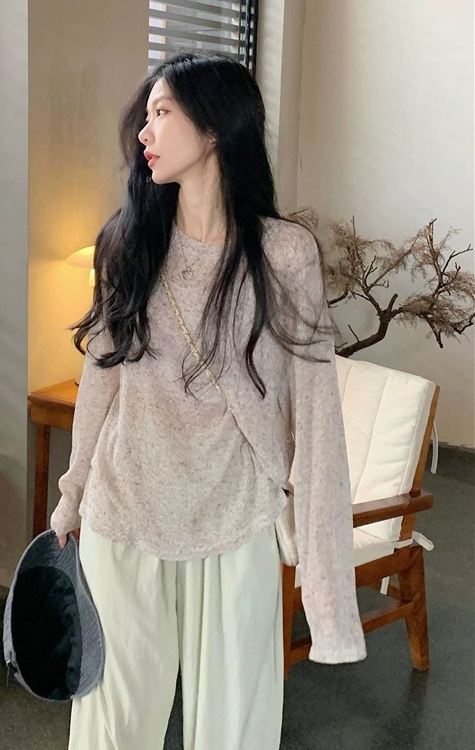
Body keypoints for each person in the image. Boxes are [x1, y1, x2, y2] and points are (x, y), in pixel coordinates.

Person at [50, 52, 366, 750]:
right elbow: (101, 377)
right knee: (112, 728)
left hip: (236, 518)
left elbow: (317, 420)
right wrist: (72, 493)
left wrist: (327, 597)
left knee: (235, 729)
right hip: (125, 512)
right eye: (146, 116)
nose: (145, 132)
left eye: (162, 112)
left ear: (216, 128)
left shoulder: (283, 254)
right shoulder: (128, 242)